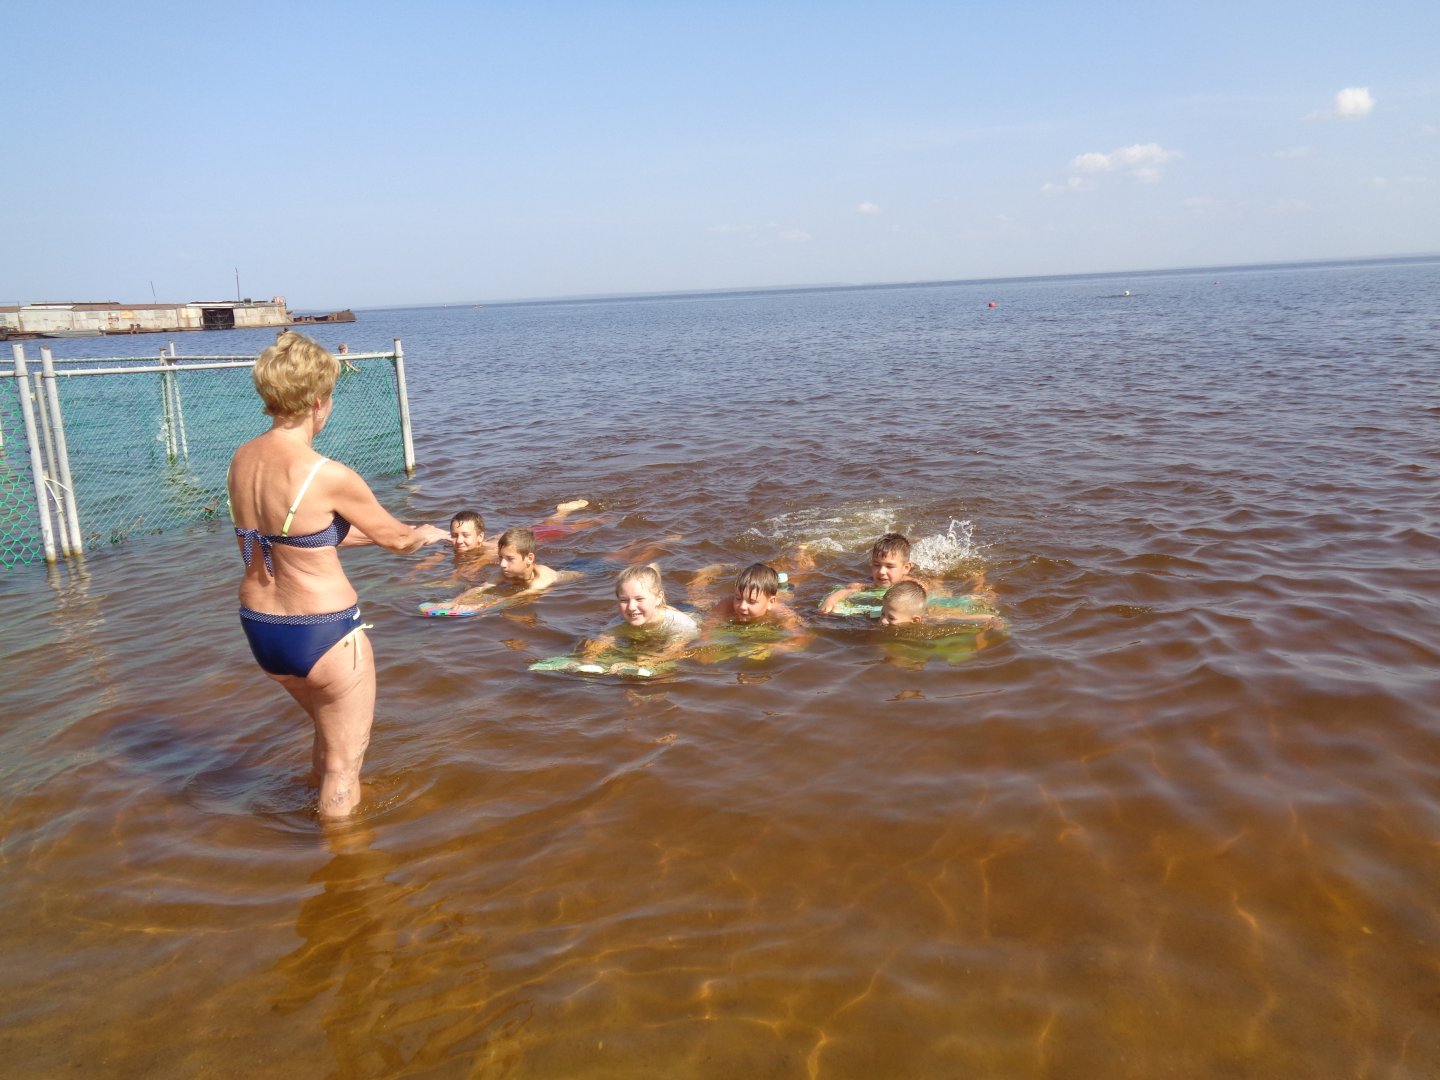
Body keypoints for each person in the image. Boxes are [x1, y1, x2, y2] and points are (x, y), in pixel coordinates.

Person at [228, 331, 451, 819]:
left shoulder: (243, 459)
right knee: (345, 768)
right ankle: (347, 861)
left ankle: (312, 822)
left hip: (262, 628)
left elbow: (295, 535)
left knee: (330, 741)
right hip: (323, 631)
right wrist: (423, 534)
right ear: (317, 401)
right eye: (329, 397)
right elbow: (398, 541)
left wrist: (379, 536)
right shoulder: (326, 473)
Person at [419, 526, 576, 615]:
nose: (502, 564)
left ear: (529, 558)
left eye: (509, 559)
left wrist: (479, 607)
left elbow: (513, 599)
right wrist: (453, 602)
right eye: (500, 557)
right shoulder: (503, 573)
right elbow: (481, 588)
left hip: (575, 573)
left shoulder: (541, 580)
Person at [577, 563, 700, 673]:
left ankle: (702, 575)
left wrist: (638, 665)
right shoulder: (619, 623)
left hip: (690, 611)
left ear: (658, 598)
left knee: (698, 598)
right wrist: (587, 660)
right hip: (651, 616)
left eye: (639, 599)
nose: (631, 607)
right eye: (624, 600)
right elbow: (600, 642)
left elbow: (673, 653)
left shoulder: (680, 624)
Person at [820, 532, 932, 614]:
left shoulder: (914, 586)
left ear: (906, 568)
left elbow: (929, 598)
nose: (882, 572)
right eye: (877, 565)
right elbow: (848, 589)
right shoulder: (867, 584)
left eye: (889, 566)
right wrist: (831, 600)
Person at [878, 580, 1003, 629]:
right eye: (883, 613)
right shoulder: (894, 611)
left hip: (948, 605)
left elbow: (964, 618)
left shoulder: (934, 619)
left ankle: (978, 579)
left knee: (978, 595)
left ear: (915, 620)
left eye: (891, 618)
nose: (883, 620)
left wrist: (992, 619)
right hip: (929, 601)